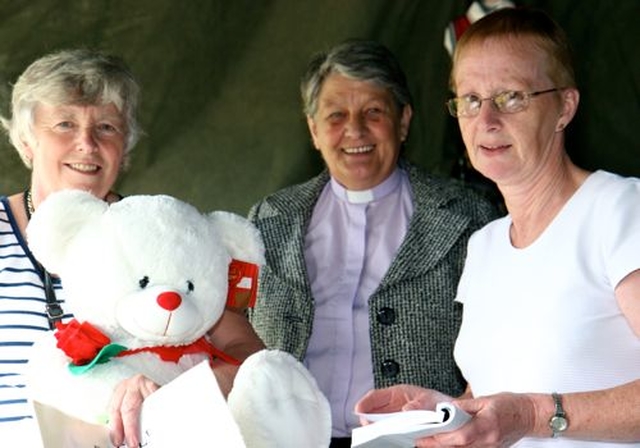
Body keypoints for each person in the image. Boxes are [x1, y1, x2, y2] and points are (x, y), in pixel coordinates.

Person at [355, 7, 640, 447]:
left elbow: (523, 412)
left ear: (565, 106)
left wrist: (533, 414)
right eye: (470, 99)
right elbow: (496, 399)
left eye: (511, 96)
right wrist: (446, 413)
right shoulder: (484, 245)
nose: (486, 120)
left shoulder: (618, 209)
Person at [0, 49, 265, 447]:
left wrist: (194, 388)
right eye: (65, 124)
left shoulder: (162, 236)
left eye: (106, 127)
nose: (86, 143)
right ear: (26, 140)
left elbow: (249, 355)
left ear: (125, 147)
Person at [247, 39, 500, 447]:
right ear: (313, 130)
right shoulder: (269, 220)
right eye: (335, 115)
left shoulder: (467, 219)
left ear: (403, 121)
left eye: (373, 112)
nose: (355, 130)